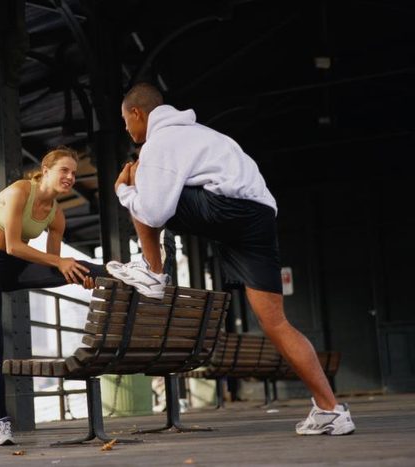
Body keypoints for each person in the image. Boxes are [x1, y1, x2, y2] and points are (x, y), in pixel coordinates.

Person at [107, 82, 356, 436]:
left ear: (137, 113)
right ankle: (331, 410)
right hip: (257, 215)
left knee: (138, 185)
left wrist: (124, 190)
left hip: (227, 208)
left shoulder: (158, 143)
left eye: (125, 121)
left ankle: (153, 271)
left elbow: (154, 211)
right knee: (276, 322)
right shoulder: (201, 134)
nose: (127, 130)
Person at [0, 147, 107, 446]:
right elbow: (14, 246)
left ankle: (120, 272)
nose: (70, 177)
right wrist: (61, 264)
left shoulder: (57, 215)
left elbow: (54, 265)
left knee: (74, 269)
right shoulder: (20, 191)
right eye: (64, 170)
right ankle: (0, 421)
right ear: (46, 169)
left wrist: (77, 276)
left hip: (15, 268)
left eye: (74, 173)